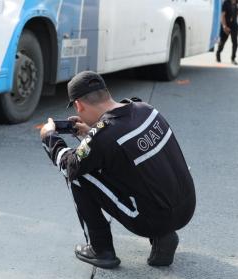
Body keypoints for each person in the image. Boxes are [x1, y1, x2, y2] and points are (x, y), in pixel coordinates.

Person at [40, 71, 196, 269]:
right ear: (106, 92)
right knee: (140, 167)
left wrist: (49, 137)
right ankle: (163, 236)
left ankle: (100, 249)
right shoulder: (146, 109)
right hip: (187, 207)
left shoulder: (103, 136)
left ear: (78, 105)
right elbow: (120, 147)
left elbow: (70, 166)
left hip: (152, 221)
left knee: (78, 174)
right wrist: (90, 133)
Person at [216, 0, 238, 65]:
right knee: (222, 42)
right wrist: (224, 26)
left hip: (234, 25)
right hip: (226, 24)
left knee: (235, 43)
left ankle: (233, 58)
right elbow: (222, 15)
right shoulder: (225, 3)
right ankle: (218, 53)